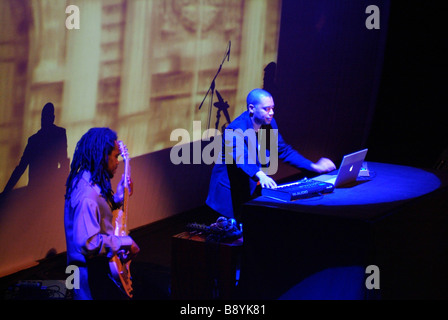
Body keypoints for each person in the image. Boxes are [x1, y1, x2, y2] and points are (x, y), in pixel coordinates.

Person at [206, 88, 336, 220]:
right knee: (231, 236)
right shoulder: (234, 129)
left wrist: (313, 167)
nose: (271, 113)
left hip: (251, 189)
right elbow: (242, 158)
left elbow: (284, 150)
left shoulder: (269, 124)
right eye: (266, 109)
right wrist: (261, 176)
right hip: (229, 194)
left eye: (272, 108)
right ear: (252, 108)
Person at [64, 127, 139, 300]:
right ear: (102, 156)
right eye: (115, 156)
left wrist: (118, 197)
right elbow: (89, 244)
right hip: (90, 282)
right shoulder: (87, 197)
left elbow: (100, 216)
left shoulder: (86, 179)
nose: (118, 161)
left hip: (93, 275)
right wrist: (124, 242)